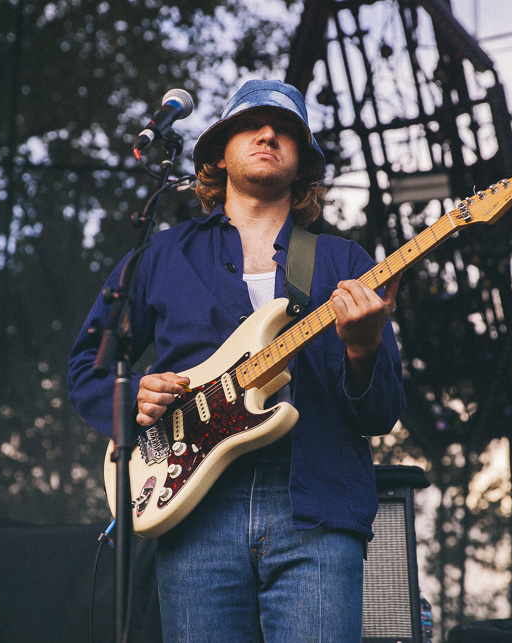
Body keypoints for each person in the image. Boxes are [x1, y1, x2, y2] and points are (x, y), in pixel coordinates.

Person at [67, 79, 405, 642]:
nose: (268, 134)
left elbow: (381, 414)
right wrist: (133, 397)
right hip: (194, 507)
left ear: (302, 167)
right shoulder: (161, 254)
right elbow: (89, 367)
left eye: (286, 131)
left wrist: (363, 347)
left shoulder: (345, 261)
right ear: (218, 156)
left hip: (315, 508)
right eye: (251, 125)